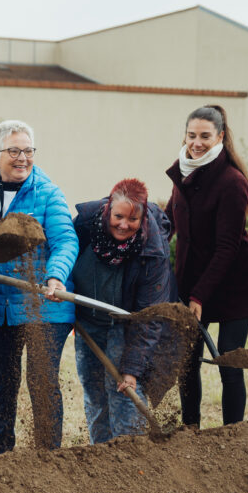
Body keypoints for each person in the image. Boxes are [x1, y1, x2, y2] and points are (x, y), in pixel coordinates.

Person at [0, 119, 79, 452]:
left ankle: (47, 455)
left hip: (45, 304)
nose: (23, 158)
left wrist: (55, 275)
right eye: (14, 151)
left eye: (28, 150)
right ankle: (1, 454)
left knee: (41, 378)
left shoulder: (47, 194)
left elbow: (66, 241)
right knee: (3, 381)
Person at [165, 105, 248, 427]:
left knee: (229, 363)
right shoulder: (183, 172)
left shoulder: (232, 182)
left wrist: (199, 296)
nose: (197, 143)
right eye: (192, 135)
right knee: (186, 364)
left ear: (220, 136)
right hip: (190, 281)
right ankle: (190, 431)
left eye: (205, 136)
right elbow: (170, 221)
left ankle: (233, 435)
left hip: (231, 285)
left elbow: (227, 247)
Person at [71, 179, 174, 443]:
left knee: (123, 389)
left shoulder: (153, 250)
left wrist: (132, 368)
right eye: (118, 216)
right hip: (87, 321)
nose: (124, 225)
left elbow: (150, 316)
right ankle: (101, 453)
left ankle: (131, 452)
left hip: (126, 324)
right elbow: (64, 255)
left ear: (143, 217)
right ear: (108, 210)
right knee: (94, 391)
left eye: (132, 219)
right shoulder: (84, 226)